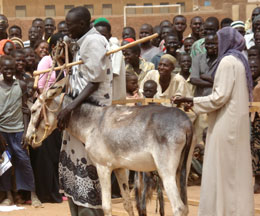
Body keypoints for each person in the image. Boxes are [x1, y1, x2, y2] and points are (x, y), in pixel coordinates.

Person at [173, 27, 254, 216]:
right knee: (234, 171)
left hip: (226, 123)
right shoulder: (239, 60)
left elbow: (219, 97)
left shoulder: (227, 62)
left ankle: (221, 211)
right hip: (235, 123)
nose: (215, 46)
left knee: (221, 169)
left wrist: (192, 101)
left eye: (218, 42)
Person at [57, 6, 112, 216]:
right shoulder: (81, 41)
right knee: (73, 159)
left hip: (91, 113)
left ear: (82, 24)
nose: (67, 29)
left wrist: (69, 107)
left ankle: (90, 210)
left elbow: (95, 82)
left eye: (70, 26)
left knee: (88, 160)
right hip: (78, 112)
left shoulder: (94, 42)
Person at [0, 55, 41, 207]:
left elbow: (25, 110)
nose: (9, 71)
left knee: (24, 161)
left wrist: (25, 132)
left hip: (18, 130)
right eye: (6, 69)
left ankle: (33, 194)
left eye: (11, 68)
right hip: (2, 132)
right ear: (1, 69)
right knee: (5, 163)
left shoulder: (21, 85)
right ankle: (9, 195)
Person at [94, 21, 126, 100]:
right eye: (97, 36)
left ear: (109, 36)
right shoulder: (94, 51)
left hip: (115, 99)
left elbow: (112, 73)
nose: (100, 38)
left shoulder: (115, 50)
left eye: (103, 35)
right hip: (101, 100)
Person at [249, 57, 260, 193]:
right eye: (250, 67)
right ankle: (257, 182)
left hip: (257, 119)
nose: (252, 70)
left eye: (255, 67)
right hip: (253, 119)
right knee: (255, 151)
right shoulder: (247, 82)